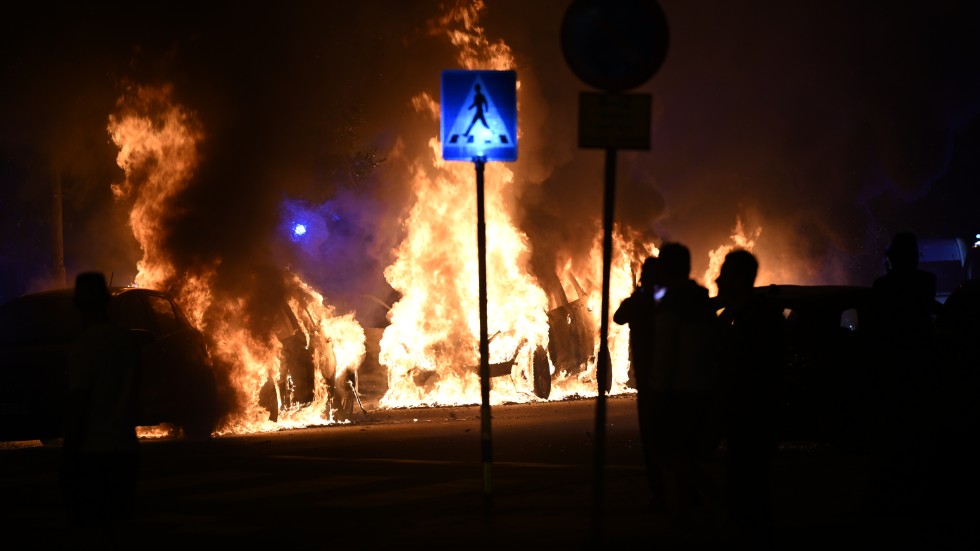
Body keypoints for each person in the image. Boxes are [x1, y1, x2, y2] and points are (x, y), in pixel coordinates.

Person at [863, 231, 939, 516]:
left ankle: (887, 495)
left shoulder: (883, 286)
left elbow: (872, 329)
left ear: (893, 257)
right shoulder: (926, 282)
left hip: (891, 369)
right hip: (918, 368)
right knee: (915, 434)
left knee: (890, 437)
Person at [61, 271, 142, 539]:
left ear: (77, 304)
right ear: (107, 301)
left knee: (92, 530)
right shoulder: (127, 341)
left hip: (94, 454)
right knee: (122, 527)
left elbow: (78, 403)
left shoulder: (84, 347)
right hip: (126, 451)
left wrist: (69, 456)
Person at [713, 249, 784, 549]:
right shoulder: (749, 313)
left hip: (752, 417)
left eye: (724, 273)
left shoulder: (756, 317)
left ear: (738, 279)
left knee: (747, 489)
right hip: (747, 416)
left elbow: (743, 366)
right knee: (747, 489)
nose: (717, 278)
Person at [648, 242, 722, 528]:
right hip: (703, 390)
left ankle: (711, 508)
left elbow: (665, 352)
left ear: (666, 268)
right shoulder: (702, 301)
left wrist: (657, 391)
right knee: (688, 456)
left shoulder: (673, 303)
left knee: (675, 458)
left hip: (678, 394)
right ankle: (693, 509)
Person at [613, 255, 663, 508]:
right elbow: (619, 318)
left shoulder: (644, 300)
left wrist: (637, 295)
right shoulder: (671, 299)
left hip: (652, 378)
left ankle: (660, 491)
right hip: (668, 379)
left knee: (654, 439)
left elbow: (619, 316)